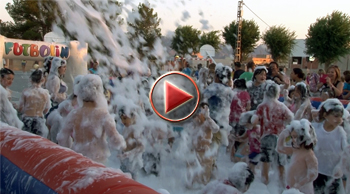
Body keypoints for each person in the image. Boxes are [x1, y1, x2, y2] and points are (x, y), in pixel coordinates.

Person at [57, 74, 126, 165]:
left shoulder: (74, 114)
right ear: (99, 92)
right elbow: (116, 141)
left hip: (78, 159)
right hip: (97, 162)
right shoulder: (103, 114)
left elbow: (62, 138)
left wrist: (69, 153)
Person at [255, 81, 294, 185]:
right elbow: (290, 118)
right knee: (280, 160)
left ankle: (265, 181)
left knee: (266, 160)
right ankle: (282, 182)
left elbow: (255, 120)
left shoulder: (262, 106)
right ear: (277, 93)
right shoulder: (281, 106)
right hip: (279, 135)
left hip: (266, 136)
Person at [312, 98, 348, 194]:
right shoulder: (316, 129)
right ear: (325, 115)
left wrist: (340, 167)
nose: (339, 119)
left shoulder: (341, 133)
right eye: (336, 116)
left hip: (333, 174)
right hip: (317, 172)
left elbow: (346, 152)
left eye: (341, 117)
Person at [277, 119, 318, 194]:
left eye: (295, 137)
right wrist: (283, 134)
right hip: (292, 188)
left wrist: (299, 184)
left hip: (303, 190)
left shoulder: (309, 154)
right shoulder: (295, 150)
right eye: (292, 137)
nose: (293, 140)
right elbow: (280, 148)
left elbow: (313, 174)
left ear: (304, 137)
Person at [186, 103, 220, 186]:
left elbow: (216, 129)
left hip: (205, 152)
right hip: (193, 152)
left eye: (199, 114)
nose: (196, 117)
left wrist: (208, 117)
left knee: (204, 180)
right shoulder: (193, 124)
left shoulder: (207, 123)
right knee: (191, 179)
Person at [18, 70, 51, 137]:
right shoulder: (45, 93)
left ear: (31, 80)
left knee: (26, 142)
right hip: (39, 120)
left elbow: (20, 108)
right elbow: (47, 109)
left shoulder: (26, 92)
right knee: (38, 143)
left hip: (27, 120)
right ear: (42, 80)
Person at [118, 108, 145, 179]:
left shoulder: (135, 130)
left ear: (133, 117)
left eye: (125, 118)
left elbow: (141, 147)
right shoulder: (126, 128)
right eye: (121, 118)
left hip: (132, 161)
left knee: (130, 181)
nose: (122, 121)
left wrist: (130, 153)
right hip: (125, 160)